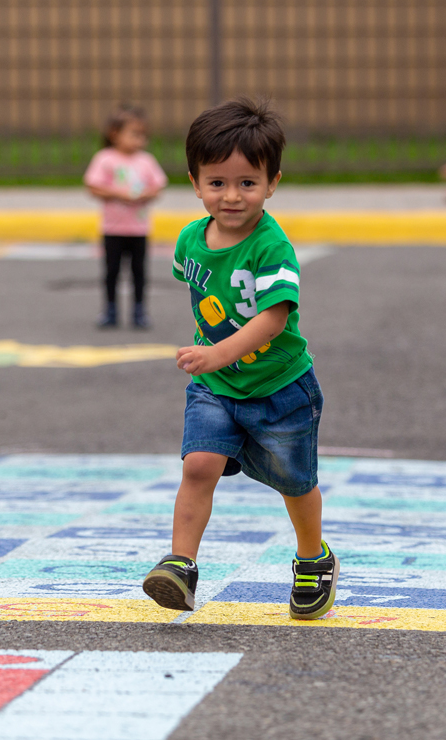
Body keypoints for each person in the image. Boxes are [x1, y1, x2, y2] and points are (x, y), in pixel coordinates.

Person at [141, 98, 337, 620]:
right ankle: (181, 564)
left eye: (247, 183)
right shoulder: (190, 240)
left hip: (280, 386)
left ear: (272, 183)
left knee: (295, 482)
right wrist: (215, 361)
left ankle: (313, 557)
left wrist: (217, 353)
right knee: (198, 464)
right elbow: (206, 296)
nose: (231, 196)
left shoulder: (271, 246)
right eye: (217, 182)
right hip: (217, 385)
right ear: (194, 182)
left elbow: (273, 319)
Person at [83, 105, 168, 329]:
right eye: (134, 134)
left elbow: (158, 186)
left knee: (139, 271)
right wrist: (119, 194)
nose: (139, 140)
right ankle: (110, 309)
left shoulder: (146, 161)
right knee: (112, 271)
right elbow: (93, 186)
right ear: (115, 134)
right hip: (113, 228)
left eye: (143, 135)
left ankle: (139, 310)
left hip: (138, 228)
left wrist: (144, 195)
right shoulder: (105, 159)